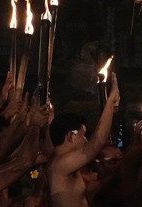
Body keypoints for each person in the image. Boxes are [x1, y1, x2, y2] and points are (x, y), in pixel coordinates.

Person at [47, 73, 120, 207]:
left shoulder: (63, 161)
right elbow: (97, 142)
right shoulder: (61, 164)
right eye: (83, 135)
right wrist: (110, 102)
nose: (86, 140)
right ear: (71, 136)